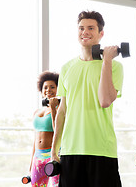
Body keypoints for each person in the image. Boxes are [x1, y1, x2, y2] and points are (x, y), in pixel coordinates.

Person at [51, 10, 124, 187]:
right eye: (81, 28)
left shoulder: (114, 66)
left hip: (101, 150)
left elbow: (105, 100)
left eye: (91, 28)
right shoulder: (67, 67)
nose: (85, 32)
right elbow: (62, 111)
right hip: (70, 150)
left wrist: (106, 60)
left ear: (101, 33)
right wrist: (54, 149)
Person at [29, 71, 60, 187]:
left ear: (58, 89)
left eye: (52, 87)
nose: (48, 90)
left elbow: (57, 129)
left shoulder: (59, 109)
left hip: (53, 155)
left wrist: (53, 109)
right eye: (45, 87)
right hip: (38, 155)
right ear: (41, 91)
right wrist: (32, 162)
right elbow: (35, 138)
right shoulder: (37, 112)